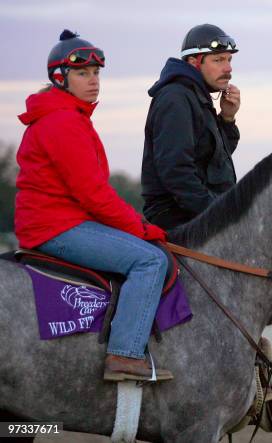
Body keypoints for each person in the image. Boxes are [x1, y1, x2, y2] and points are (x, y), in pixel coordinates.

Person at [15, 30, 172, 382]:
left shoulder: (70, 116)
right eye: (83, 73)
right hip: (57, 227)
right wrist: (141, 229)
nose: (93, 81)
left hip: (62, 222)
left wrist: (134, 225)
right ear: (60, 78)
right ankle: (125, 355)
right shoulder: (63, 121)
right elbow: (95, 195)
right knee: (150, 259)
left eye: (96, 73)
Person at [141, 24, 241, 230]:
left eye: (229, 59)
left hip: (194, 210)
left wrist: (227, 119)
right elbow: (176, 172)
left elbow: (213, 162)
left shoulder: (194, 94)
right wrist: (220, 213)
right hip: (175, 216)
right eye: (218, 60)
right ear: (194, 62)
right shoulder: (176, 98)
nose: (228, 68)